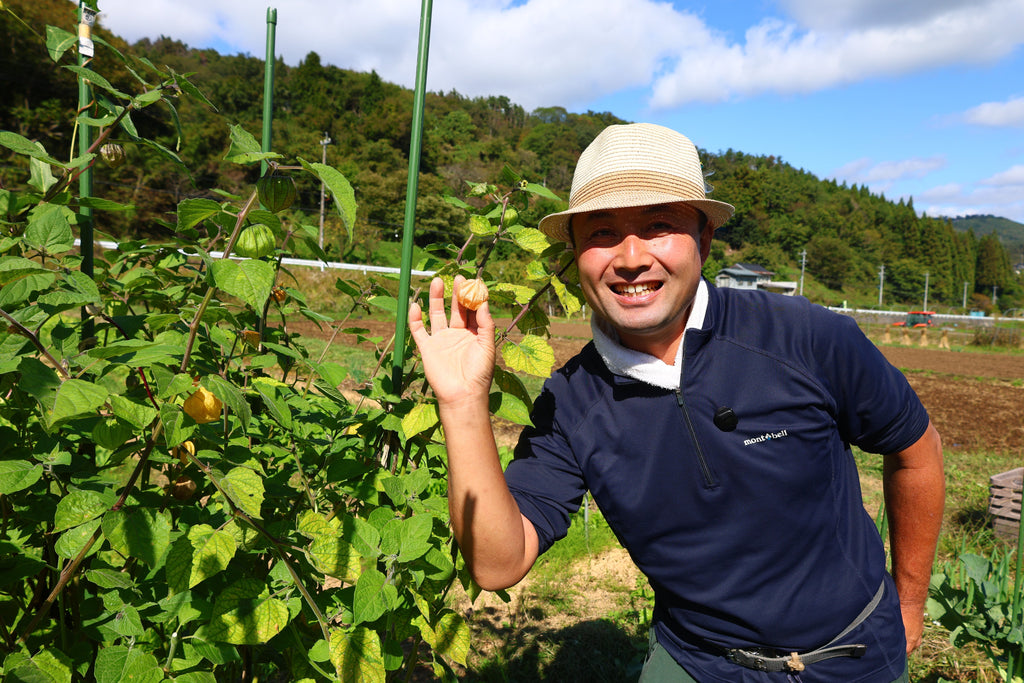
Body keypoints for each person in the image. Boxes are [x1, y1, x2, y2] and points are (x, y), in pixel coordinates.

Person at [408, 122, 945, 682]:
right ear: (574, 255)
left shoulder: (804, 337)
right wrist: (462, 402)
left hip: (854, 653)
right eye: (602, 232)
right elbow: (497, 563)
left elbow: (915, 449)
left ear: (704, 239)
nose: (631, 257)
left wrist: (908, 605)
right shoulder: (571, 403)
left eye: (659, 225)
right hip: (698, 664)